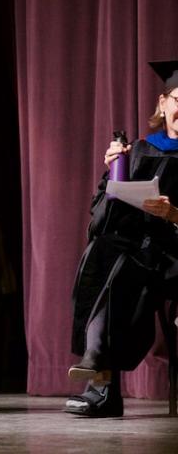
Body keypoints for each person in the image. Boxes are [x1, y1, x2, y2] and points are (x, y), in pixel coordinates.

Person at [64, 60, 178, 418]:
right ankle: (98, 368)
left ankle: (101, 381)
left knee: (123, 267)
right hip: (135, 251)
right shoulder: (140, 149)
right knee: (102, 251)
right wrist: (111, 174)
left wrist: (174, 215)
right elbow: (101, 218)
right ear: (163, 103)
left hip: (173, 255)